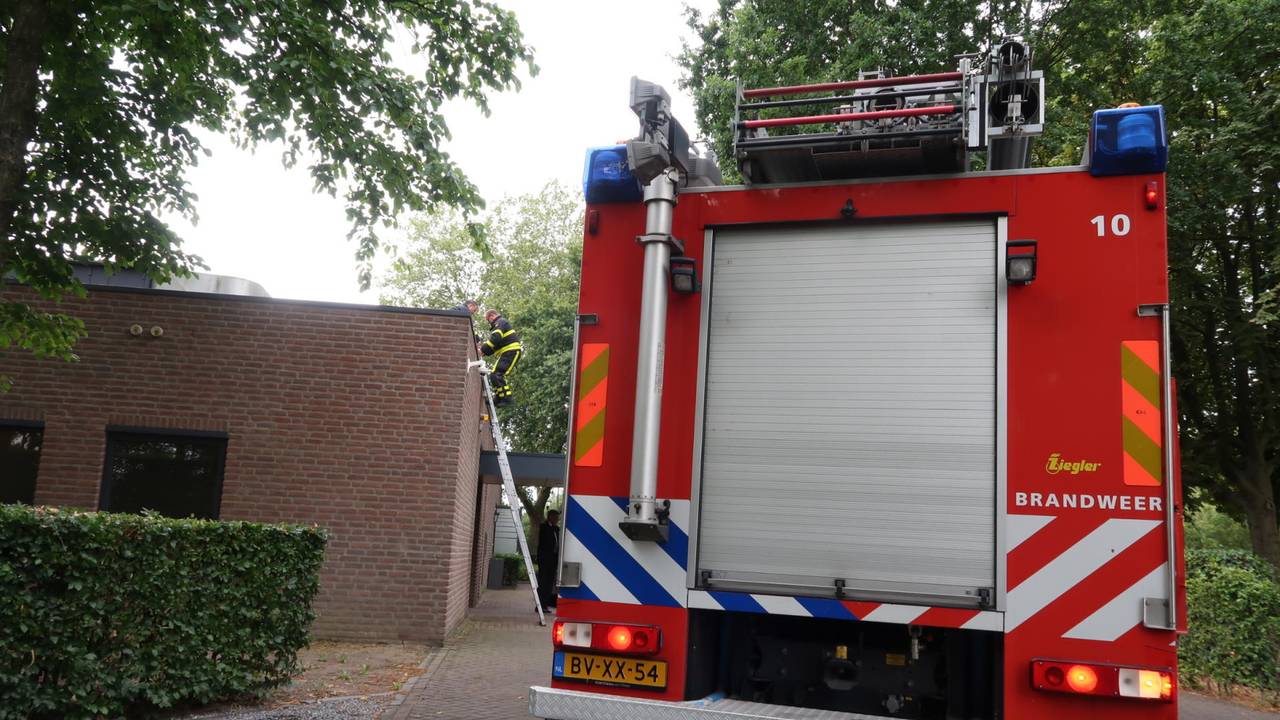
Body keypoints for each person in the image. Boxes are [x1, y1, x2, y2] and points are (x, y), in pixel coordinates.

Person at [479, 309, 522, 406]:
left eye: (488, 320)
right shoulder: (502, 324)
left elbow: (496, 338)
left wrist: (483, 349)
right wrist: (484, 352)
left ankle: (507, 398)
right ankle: (499, 397)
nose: (489, 323)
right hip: (508, 352)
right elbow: (496, 345)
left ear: (492, 316)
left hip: (511, 351)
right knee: (494, 375)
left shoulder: (500, 322)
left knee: (497, 374)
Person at [536, 509, 561, 611]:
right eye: (556, 517)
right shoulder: (544, 527)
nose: (557, 519)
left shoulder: (556, 529)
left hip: (553, 561)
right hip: (545, 560)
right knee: (543, 583)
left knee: (550, 583)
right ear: (550, 517)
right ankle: (539, 605)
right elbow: (543, 544)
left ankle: (545, 604)